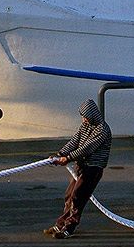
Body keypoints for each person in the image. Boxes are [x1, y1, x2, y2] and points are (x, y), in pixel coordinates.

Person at [45, 99, 112, 239]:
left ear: (92, 115)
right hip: (81, 166)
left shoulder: (102, 130)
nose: (83, 119)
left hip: (92, 169)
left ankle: (69, 228)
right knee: (69, 195)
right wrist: (60, 154)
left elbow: (87, 148)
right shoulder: (85, 126)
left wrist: (68, 158)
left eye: (85, 116)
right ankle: (60, 224)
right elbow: (75, 141)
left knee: (78, 196)